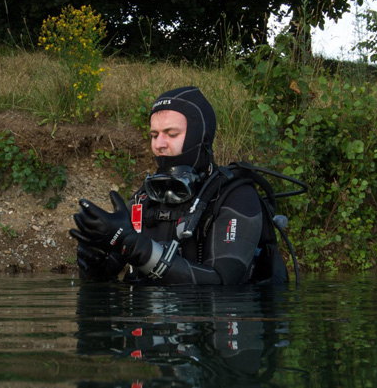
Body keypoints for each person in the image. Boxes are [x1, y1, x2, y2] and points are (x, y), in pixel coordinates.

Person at [70, 86, 289, 285]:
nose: (159, 144)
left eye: (171, 134)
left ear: (200, 138)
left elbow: (224, 283)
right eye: (154, 135)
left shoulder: (236, 196)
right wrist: (93, 263)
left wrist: (136, 247)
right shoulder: (145, 200)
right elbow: (104, 281)